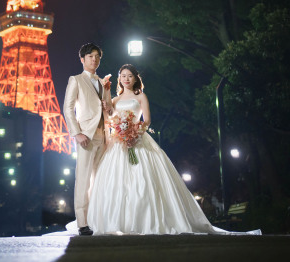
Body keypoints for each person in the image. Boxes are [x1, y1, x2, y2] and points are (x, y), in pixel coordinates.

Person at [86, 64, 262, 235]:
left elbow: (146, 121)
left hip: (138, 138)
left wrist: (134, 133)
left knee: (144, 181)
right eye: (123, 76)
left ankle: (146, 220)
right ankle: (118, 222)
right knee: (117, 183)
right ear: (119, 78)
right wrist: (109, 112)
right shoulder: (115, 100)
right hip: (118, 143)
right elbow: (109, 119)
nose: (126, 79)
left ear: (135, 79)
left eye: (129, 76)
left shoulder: (141, 97)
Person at [62, 42, 112, 236]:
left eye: (97, 56)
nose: (94, 59)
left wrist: (109, 107)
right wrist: (77, 133)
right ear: (82, 59)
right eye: (90, 56)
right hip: (86, 136)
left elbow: (108, 108)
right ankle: (82, 222)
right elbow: (68, 109)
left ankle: (97, 218)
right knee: (83, 179)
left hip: (103, 136)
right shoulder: (76, 80)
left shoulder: (102, 82)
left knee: (100, 180)